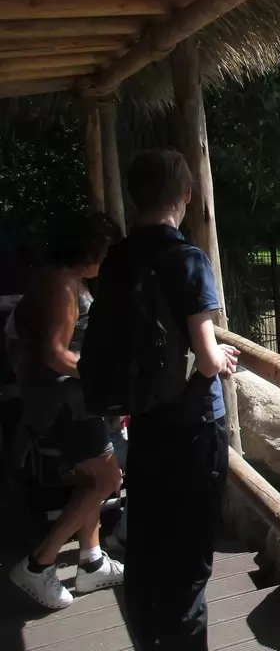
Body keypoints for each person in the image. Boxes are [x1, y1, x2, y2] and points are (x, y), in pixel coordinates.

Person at [92, 149, 238, 651]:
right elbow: (205, 356)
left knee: (149, 542)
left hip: (146, 422)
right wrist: (220, 356)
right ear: (186, 196)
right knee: (190, 556)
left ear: (135, 197)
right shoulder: (187, 260)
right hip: (193, 426)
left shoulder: (118, 259)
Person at [6, 212, 124, 609]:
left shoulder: (55, 278)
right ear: (89, 251)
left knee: (91, 482)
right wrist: (103, 379)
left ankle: (90, 562)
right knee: (106, 480)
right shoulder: (61, 286)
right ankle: (38, 565)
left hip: (66, 403)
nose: (107, 260)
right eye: (105, 252)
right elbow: (56, 354)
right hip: (65, 405)